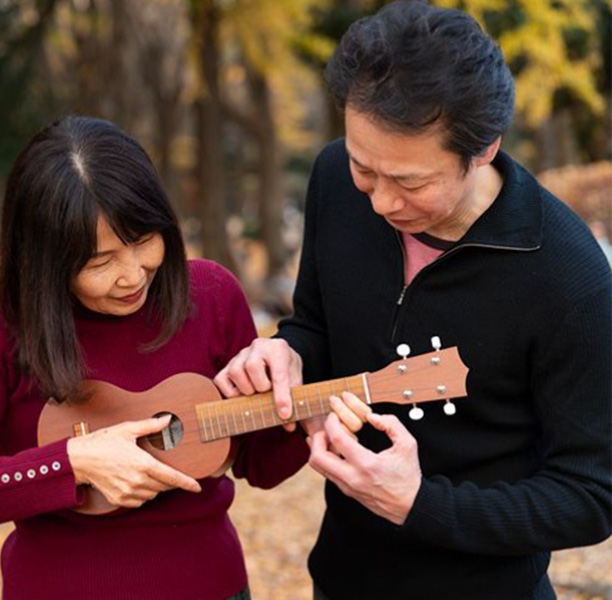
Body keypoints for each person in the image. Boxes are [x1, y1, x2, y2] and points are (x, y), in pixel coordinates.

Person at [214, 3, 612, 599]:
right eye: (364, 168)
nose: (379, 202)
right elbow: (316, 324)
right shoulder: (333, 180)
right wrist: (288, 353)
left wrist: (421, 504)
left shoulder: (570, 278)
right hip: (342, 580)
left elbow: (591, 495)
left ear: (484, 149)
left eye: (410, 182)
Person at [0, 116, 339, 600]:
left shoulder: (212, 294)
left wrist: (298, 412)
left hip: (212, 587)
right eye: (100, 262)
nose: (133, 275)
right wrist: (73, 463)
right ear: (45, 261)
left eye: (142, 241)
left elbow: (261, 466)